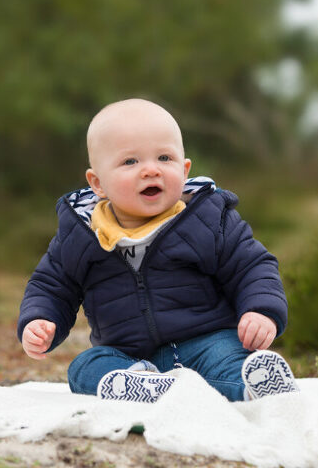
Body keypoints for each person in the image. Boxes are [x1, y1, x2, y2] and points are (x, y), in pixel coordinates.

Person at [17, 98, 298, 403]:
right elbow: (52, 285)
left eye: (164, 158)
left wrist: (261, 310)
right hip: (128, 354)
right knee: (84, 368)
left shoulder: (208, 219)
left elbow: (252, 266)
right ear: (98, 183)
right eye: (130, 162)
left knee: (230, 360)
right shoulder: (82, 235)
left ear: (184, 168)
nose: (151, 170)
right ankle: (140, 385)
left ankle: (254, 385)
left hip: (208, 340)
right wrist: (40, 319)